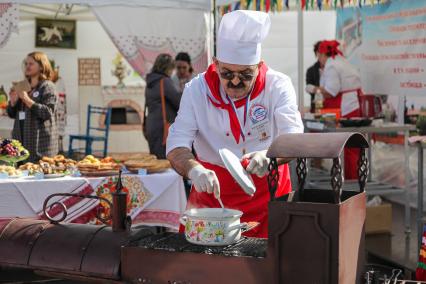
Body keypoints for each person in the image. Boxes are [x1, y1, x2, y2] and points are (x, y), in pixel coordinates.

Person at [166, 10, 304, 238]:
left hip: (268, 190)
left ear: (259, 66)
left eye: (246, 74)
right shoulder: (197, 90)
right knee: (204, 267)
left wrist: (270, 157)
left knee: (271, 264)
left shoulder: (278, 85)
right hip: (212, 191)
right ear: (216, 63)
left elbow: (293, 137)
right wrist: (194, 169)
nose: (236, 81)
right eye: (227, 73)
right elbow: (176, 144)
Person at [312, 40, 363, 179]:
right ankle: (355, 184)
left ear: (323, 54)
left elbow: (331, 91)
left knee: (349, 148)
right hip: (352, 106)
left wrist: (314, 89)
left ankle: (352, 185)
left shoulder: (332, 65)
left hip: (345, 108)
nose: (319, 59)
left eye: (319, 55)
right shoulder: (341, 60)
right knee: (352, 146)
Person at [7, 51, 58, 163]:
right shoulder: (22, 85)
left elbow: (47, 112)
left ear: (41, 66)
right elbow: (11, 114)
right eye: (26, 63)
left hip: (40, 148)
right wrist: (13, 101)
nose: (27, 66)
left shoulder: (48, 86)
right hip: (21, 145)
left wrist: (27, 99)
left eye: (31, 63)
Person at [144, 54, 182, 159]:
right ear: (168, 68)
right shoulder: (164, 81)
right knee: (165, 163)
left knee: (156, 161)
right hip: (163, 128)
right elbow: (179, 102)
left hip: (151, 126)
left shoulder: (150, 82)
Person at [305, 41, 322, 113]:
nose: (322, 55)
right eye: (319, 52)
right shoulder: (311, 70)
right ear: (316, 53)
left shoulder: (333, 68)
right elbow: (308, 87)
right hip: (317, 105)